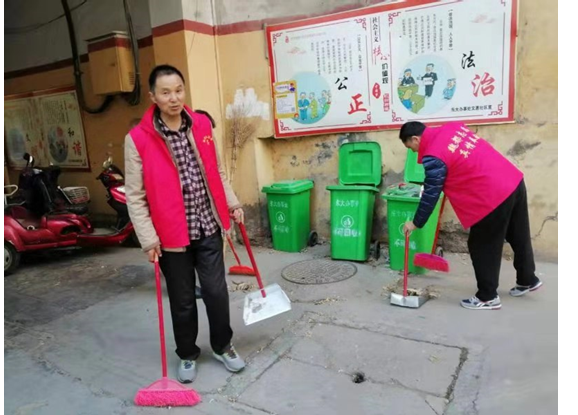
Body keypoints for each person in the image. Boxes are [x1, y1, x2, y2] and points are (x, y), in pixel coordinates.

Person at [125, 64, 246, 384]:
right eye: (165, 92)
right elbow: (135, 196)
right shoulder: (138, 139)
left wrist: (232, 203)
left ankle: (222, 346)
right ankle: (188, 353)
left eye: (178, 90)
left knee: (216, 292)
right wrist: (148, 239)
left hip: (207, 225)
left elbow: (217, 171)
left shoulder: (201, 124)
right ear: (153, 97)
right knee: (182, 301)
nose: (174, 98)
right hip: (170, 237)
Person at [399, 121, 543, 310]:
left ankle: (487, 297)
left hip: (490, 194)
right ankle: (527, 279)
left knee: (482, 244)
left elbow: (431, 194)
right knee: (518, 234)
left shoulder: (433, 155)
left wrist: (416, 223)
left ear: (415, 139)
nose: (414, 152)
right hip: (512, 180)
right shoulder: (452, 128)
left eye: (411, 147)